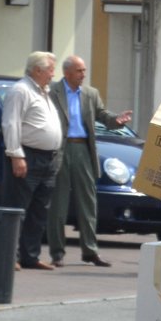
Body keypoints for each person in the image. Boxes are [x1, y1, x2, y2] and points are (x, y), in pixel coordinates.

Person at [47, 55, 132, 268]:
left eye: (84, 70)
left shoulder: (90, 94)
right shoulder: (52, 92)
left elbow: (102, 115)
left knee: (88, 202)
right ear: (67, 73)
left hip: (83, 149)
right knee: (58, 204)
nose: (83, 75)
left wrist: (116, 121)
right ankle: (57, 253)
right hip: (61, 149)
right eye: (79, 71)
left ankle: (90, 251)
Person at [1, 51, 64, 271]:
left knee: (39, 211)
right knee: (18, 208)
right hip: (28, 156)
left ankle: (31, 255)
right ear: (37, 70)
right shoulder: (21, 90)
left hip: (48, 159)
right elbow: (11, 123)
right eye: (50, 70)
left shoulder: (44, 92)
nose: (52, 74)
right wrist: (16, 155)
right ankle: (10, 256)